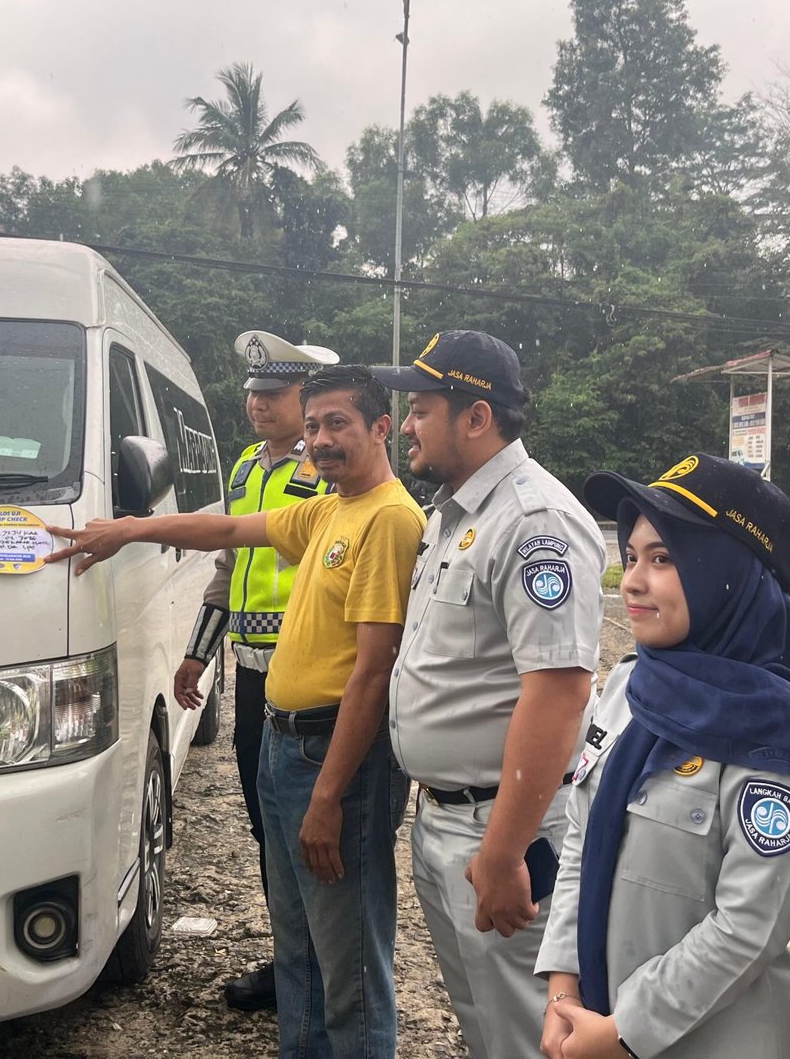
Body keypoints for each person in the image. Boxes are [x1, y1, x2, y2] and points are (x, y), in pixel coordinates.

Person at [49, 364, 425, 1059]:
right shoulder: (329, 508)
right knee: (298, 945)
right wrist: (131, 529)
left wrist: (331, 796)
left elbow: (373, 674)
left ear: (379, 428)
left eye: (337, 424)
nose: (320, 440)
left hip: (331, 757)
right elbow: (227, 529)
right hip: (284, 747)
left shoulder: (390, 518)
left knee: (349, 963)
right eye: (313, 426)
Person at [537, 454, 790, 1059]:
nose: (630, 580)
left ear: (728, 573)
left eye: (663, 559)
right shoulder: (630, 688)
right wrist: (564, 988)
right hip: (597, 1025)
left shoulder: (775, 735)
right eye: (631, 556)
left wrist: (625, 1030)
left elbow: (748, 929)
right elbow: (582, 838)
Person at [367, 330, 603, 1059]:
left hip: (504, 828)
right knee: (483, 1021)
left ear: (477, 417)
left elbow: (559, 692)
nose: (406, 423)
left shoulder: (535, 523)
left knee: (532, 1033)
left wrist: (502, 853)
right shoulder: (453, 514)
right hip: (448, 820)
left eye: (422, 408)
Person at [176, 330, 337, 1013]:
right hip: (249, 673)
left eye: (272, 395)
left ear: (305, 398)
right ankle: (291, 962)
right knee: (266, 824)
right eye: (252, 395)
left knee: (314, 828)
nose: (258, 406)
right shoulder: (244, 469)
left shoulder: (325, 466)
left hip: (311, 671)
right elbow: (228, 568)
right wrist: (196, 649)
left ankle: (329, 966)